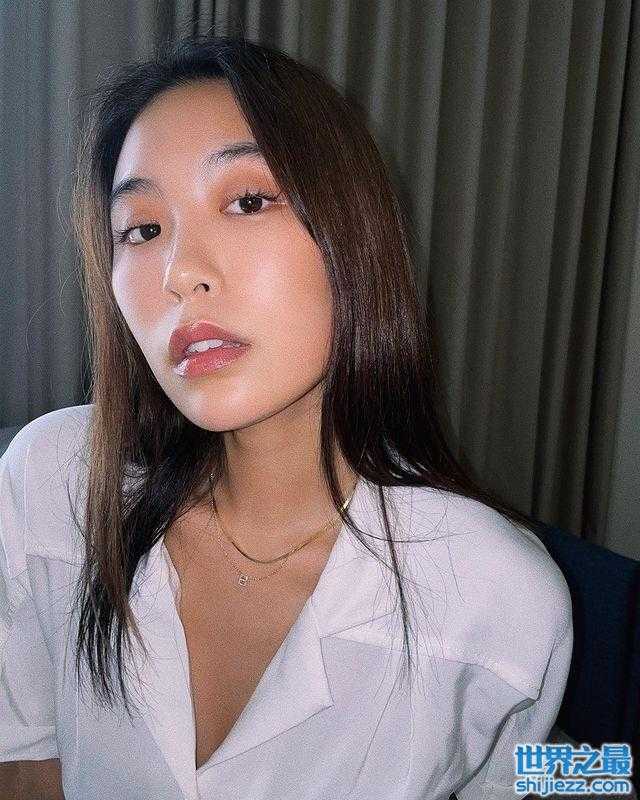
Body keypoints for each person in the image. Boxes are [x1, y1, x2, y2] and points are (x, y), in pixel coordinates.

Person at [0, 33, 572, 800]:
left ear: (352, 234)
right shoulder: (54, 481)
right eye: (142, 229)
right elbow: (23, 762)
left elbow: (546, 776)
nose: (179, 274)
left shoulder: (493, 595)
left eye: (247, 201)